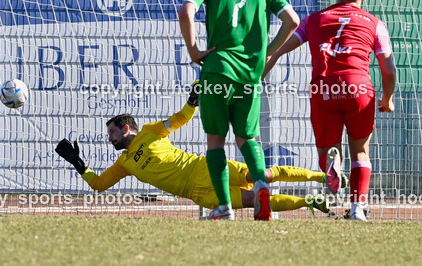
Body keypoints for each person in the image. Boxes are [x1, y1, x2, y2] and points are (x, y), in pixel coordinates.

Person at [177, 0, 302, 221]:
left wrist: (194, 51)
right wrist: (268, 51)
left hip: (218, 71)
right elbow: (293, 21)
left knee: (215, 140)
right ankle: (261, 183)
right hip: (249, 74)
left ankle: (224, 207)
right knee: (248, 138)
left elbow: (186, 11)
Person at [55, 86, 334, 216]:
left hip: (203, 168)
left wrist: (192, 101)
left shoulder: (151, 131)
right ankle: (310, 202)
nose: (110, 138)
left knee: (262, 175)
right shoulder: (124, 163)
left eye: (112, 133)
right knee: (256, 201)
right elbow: (99, 184)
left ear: (126, 128)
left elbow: (179, 119)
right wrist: (78, 162)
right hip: (198, 193)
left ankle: (323, 177)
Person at [264, 0, 397, 222]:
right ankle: (358, 208)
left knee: (328, 149)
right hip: (358, 88)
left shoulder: (314, 20)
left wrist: (260, 74)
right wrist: (387, 98)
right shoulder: (374, 23)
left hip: (324, 88)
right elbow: (389, 70)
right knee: (360, 152)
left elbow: (279, 50)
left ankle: (331, 165)